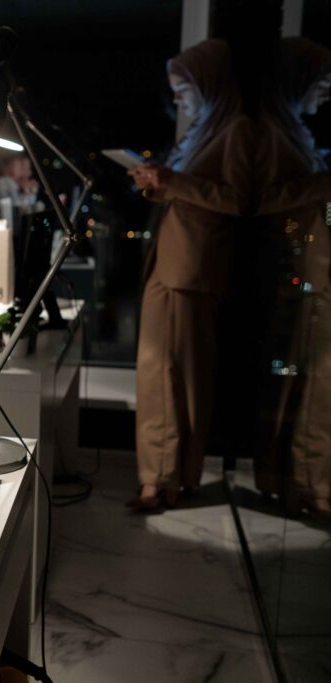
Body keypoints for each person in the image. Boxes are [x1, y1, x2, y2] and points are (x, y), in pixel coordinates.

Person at [126, 40, 255, 511]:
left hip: (193, 268)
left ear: (209, 83)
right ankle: (156, 477)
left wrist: (173, 182)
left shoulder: (235, 130)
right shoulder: (202, 131)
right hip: (170, 262)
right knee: (156, 374)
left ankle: (173, 477)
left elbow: (237, 199)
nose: (179, 99)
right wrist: (158, 186)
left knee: (184, 377)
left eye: (184, 88)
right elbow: (193, 196)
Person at [254, 38, 331, 521]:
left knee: (315, 388)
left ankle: (308, 482)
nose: (326, 95)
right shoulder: (278, 136)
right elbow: (278, 202)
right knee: (312, 387)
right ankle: (308, 484)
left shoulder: (296, 135)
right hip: (303, 280)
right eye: (322, 85)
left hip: (311, 277)